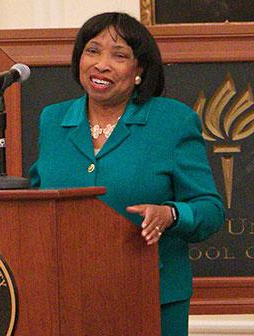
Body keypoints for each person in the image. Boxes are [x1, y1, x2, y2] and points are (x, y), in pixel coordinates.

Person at [30, 12, 225, 336]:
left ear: (139, 71)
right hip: (66, 298)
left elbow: (210, 209)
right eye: (92, 50)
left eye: (118, 55)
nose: (101, 64)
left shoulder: (172, 121)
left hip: (150, 297)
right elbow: (40, 197)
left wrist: (171, 214)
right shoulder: (53, 119)